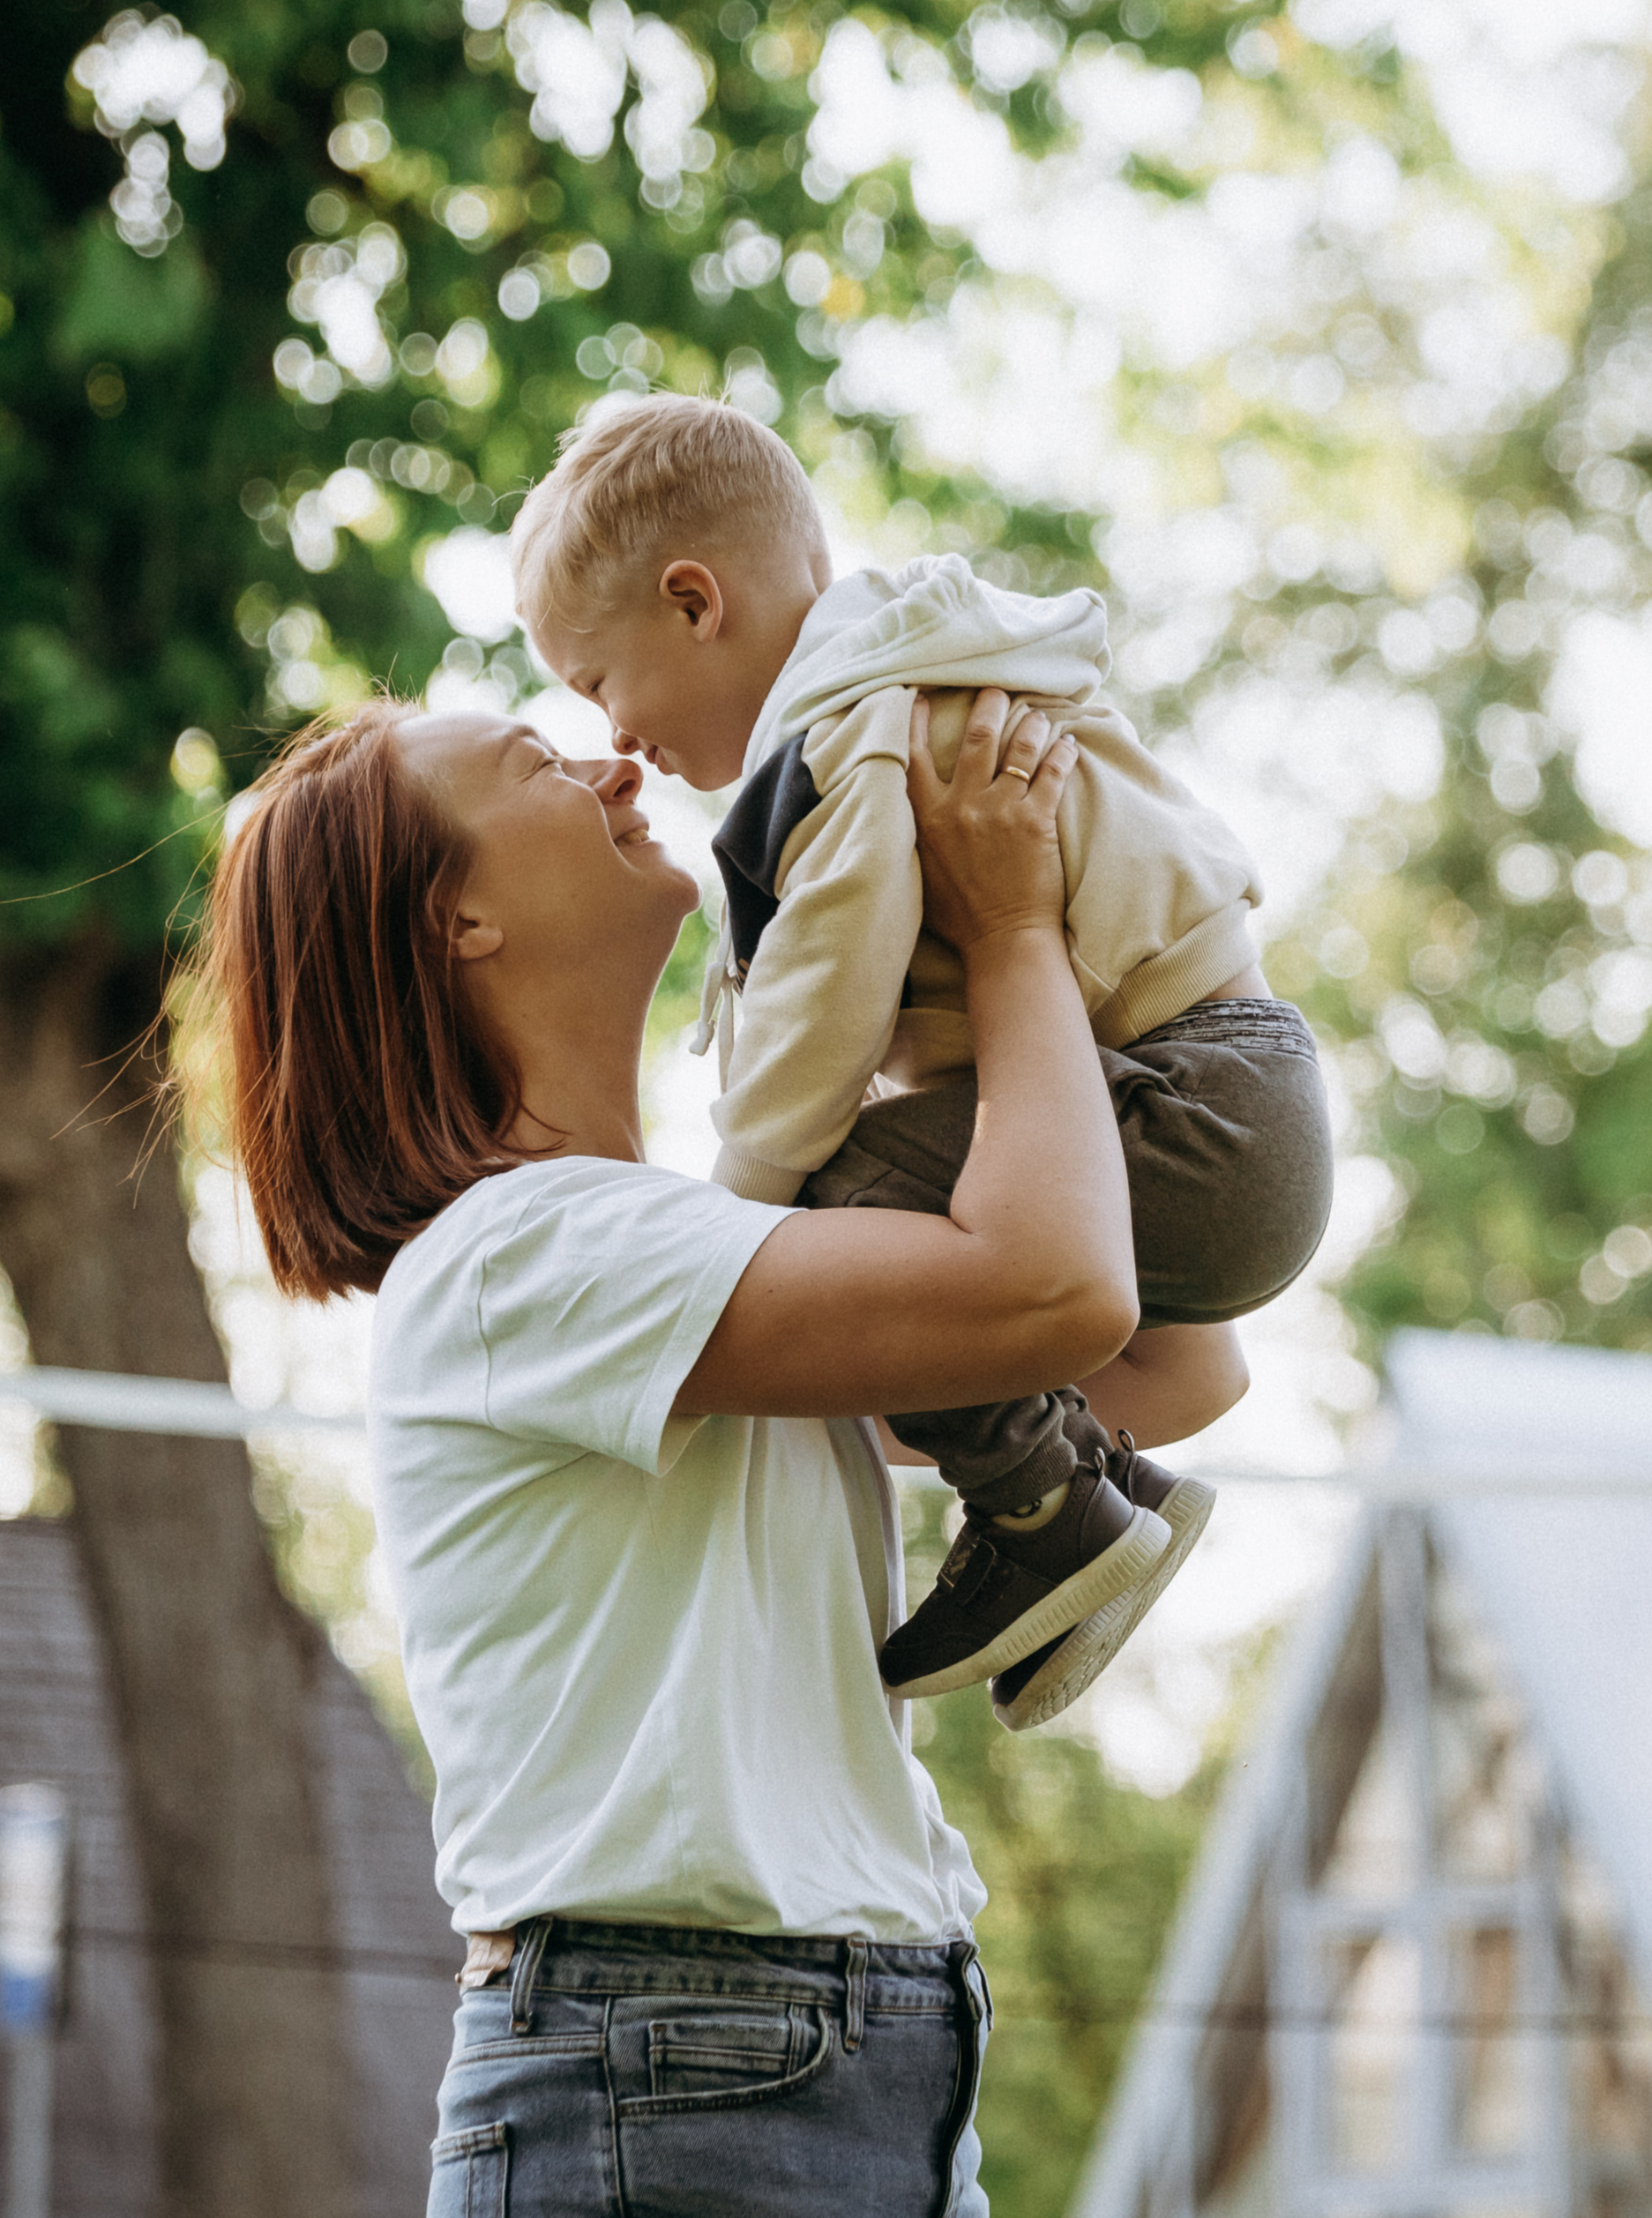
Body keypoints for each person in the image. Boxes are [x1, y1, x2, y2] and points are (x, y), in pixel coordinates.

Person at [195, 684, 1238, 2218]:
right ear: (456, 917)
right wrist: (1012, 925)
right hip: (679, 2076)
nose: (615, 756)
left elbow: (1174, 1359)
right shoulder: (525, 1257)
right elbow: (1061, 1289)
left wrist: (978, 984)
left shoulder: (695, 1265)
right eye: (538, 762)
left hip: (851, 2061)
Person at [512, 393, 1334, 1729]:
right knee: (870, 1246)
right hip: (1228, 1103)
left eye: (599, 684)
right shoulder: (903, 686)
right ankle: (1083, 1488)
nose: (617, 741)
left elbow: (822, 1011)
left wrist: (735, 1226)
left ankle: (1052, 1508)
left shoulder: (841, 742)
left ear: (694, 602)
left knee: (829, 1199)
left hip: (1197, 1109)